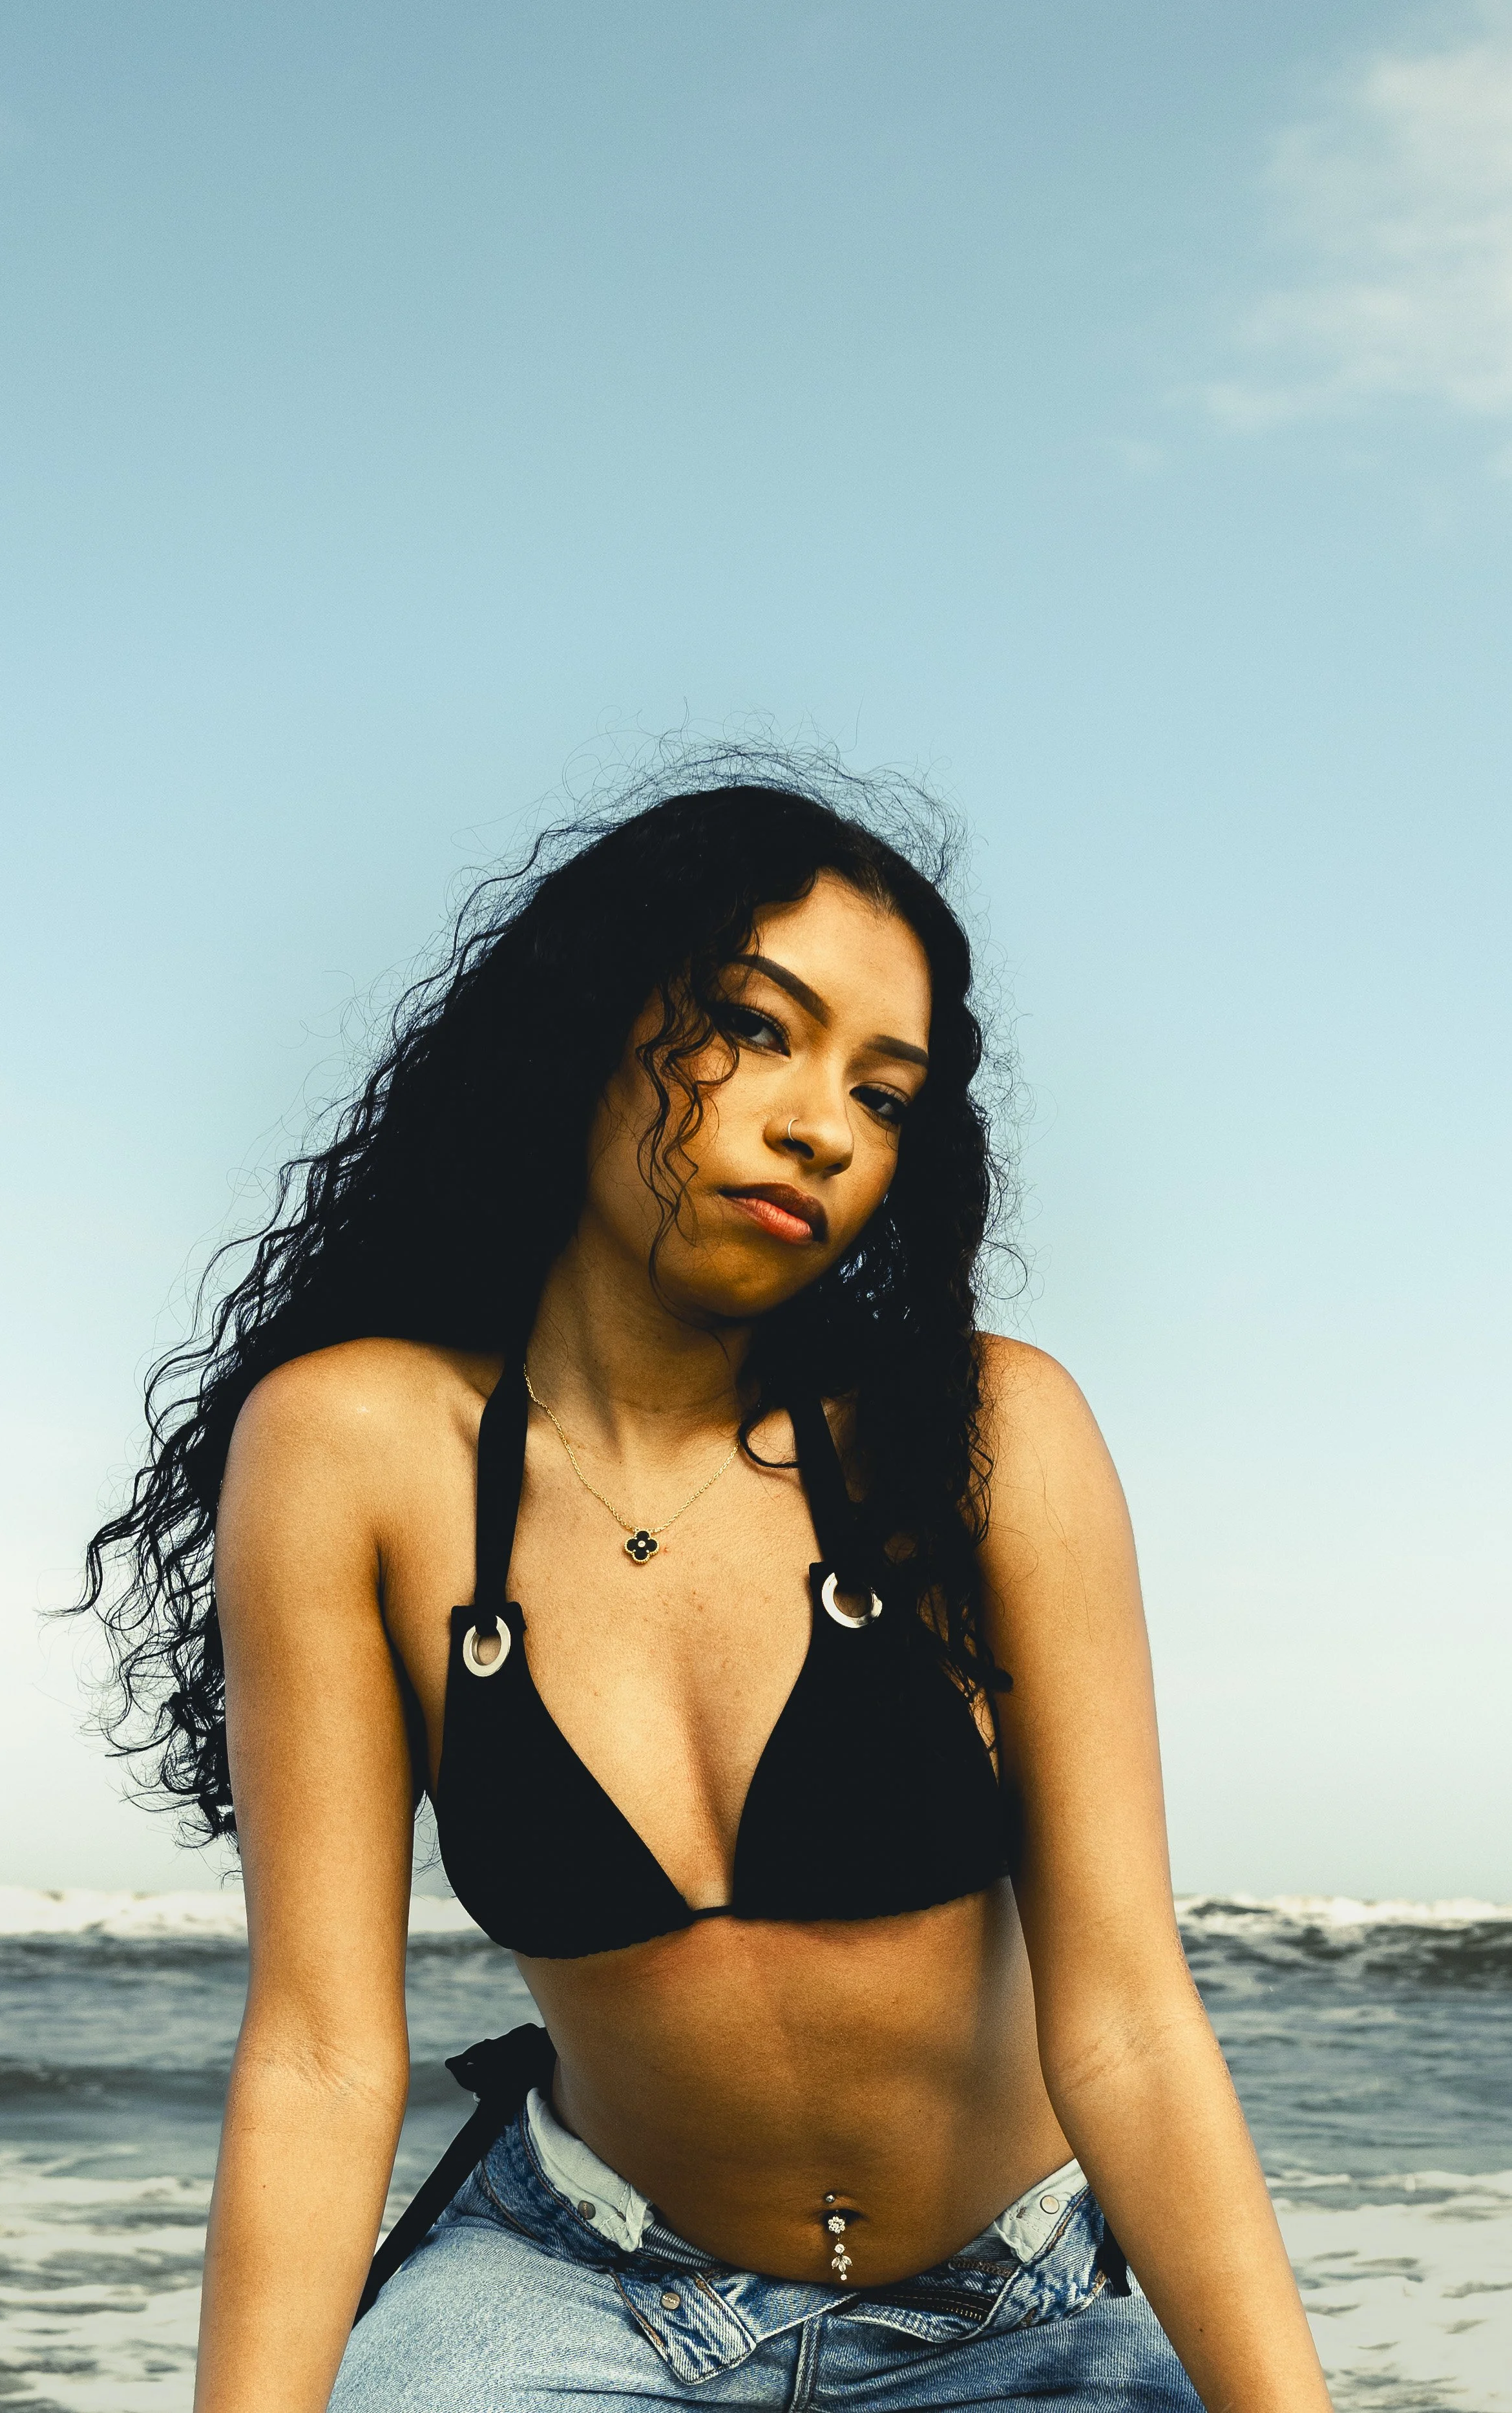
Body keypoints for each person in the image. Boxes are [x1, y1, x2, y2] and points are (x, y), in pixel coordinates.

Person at [78, 774, 1332, 2410]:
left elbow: (1132, 2030)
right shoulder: (353, 1450)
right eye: (757, 1026)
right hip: (575, 2294)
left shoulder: (978, 1436)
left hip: (1024, 2308)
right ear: (591, 1019)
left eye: (885, 1095)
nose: (825, 1127)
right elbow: (320, 2056)